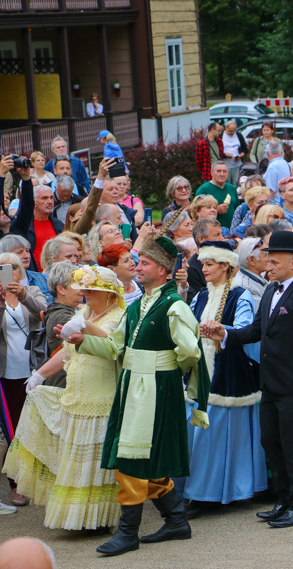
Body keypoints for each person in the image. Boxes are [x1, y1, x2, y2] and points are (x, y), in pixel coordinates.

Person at [64, 230, 209, 556]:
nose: (138, 267)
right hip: (135, 386)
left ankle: (128, 532)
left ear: (162, 269)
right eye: (138, 262)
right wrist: (83, 341)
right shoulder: (139, 305)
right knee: (148, 456)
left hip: (154, 389)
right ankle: (176, 520)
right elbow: (116, 347)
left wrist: (164, 370)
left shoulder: (173, 304)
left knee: (131, 456)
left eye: (143, 263)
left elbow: (190, 351)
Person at [201, 231, 293, 527]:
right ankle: (282, 500)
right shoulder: (271, 290)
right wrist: (226, 333)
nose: (268, 264)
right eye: (267, 259)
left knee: (292, 445)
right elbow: (256, 330)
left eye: (275, 260)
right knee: (270, 441)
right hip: (269, 382)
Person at [2, 265, 126, 530]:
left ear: (108, 294)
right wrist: (40, 375)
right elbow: (65, 351)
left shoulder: (117, 316)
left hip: (100, 397)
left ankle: (99, 521)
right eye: (84, 289)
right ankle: (78, 519)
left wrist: (86, 327)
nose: (85, 293)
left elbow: (112, 346)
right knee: (77, 463)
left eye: (91, 290)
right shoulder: (84, 312)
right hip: (77, 394)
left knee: (94, 464)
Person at [176, 241, 265, 517]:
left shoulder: (241, 295)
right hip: (199, 372)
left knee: (214, 436)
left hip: (227, 374)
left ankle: (208, 495)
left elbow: (245, 330)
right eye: (203, 264)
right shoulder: (201, 296)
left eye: (209, 264)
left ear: (225, 266)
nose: (203, 269)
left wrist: (219, 329)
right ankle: (196, 491)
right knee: (199, 436)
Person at [0, 252, 48, 507]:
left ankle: (37, 480)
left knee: (36, 427)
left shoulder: (32, 291)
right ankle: (16, 484)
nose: (9, 272)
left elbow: (45, 314)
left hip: (33, 370)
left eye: (13, 267)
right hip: (6, 373)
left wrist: (23, 296)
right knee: (13, 430)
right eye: (2, 268)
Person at [10, 168, 64, 272]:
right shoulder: (23, 226)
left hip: (56, 276)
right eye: (44, 198)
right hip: (33, 277)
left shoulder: (59, 225)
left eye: (51, 198)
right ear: (33, 202)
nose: (49, 201)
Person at [195, 161, 239, 231]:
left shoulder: (232, 188)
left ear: (228, 173)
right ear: (212, 172)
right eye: (218, 171)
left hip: (232, 231)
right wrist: (216, 211)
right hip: (211, 232)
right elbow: (196, 214)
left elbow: (237, 210)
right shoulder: (203, 189)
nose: (222, 174)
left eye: (224, 171)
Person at [235, 237, 267, 308]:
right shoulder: (246, 287)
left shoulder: (256, 277)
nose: (268, 259)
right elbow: (264, 314)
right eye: (265, 255)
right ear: (252, 260)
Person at [221, 121, 248, 186]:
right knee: (226, 184)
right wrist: (225, 155)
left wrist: (241, 155)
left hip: (237, 165)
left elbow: (245, 149)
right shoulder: (221, 136)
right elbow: (218, 152)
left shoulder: (238, 135)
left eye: (234, 131)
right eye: (230, 131)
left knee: (237, 184)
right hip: (225, 165)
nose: (232, 133)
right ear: (226, 128)